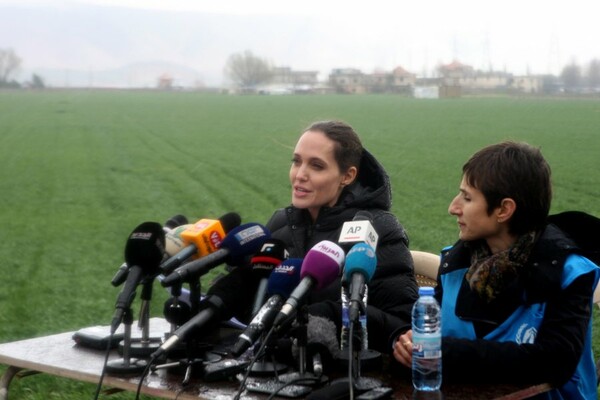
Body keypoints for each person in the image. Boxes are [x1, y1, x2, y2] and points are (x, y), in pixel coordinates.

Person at [392, 141, 600, 399]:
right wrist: (409, 344)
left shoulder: (569, 274)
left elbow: (555, 361)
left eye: (467, 197)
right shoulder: (454, 264)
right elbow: (430, 333)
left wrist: (449, 353)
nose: (453, 207)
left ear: (504, 209)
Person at [206, 120, 419, 360]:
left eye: (316, 166)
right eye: (296, 161)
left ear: (347, 176)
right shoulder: (279, 224)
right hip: (273, 366)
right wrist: (219, 300)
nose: (300, 175)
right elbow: (256, 307)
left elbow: (403, 324)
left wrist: (329, 316)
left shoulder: (379, 229)